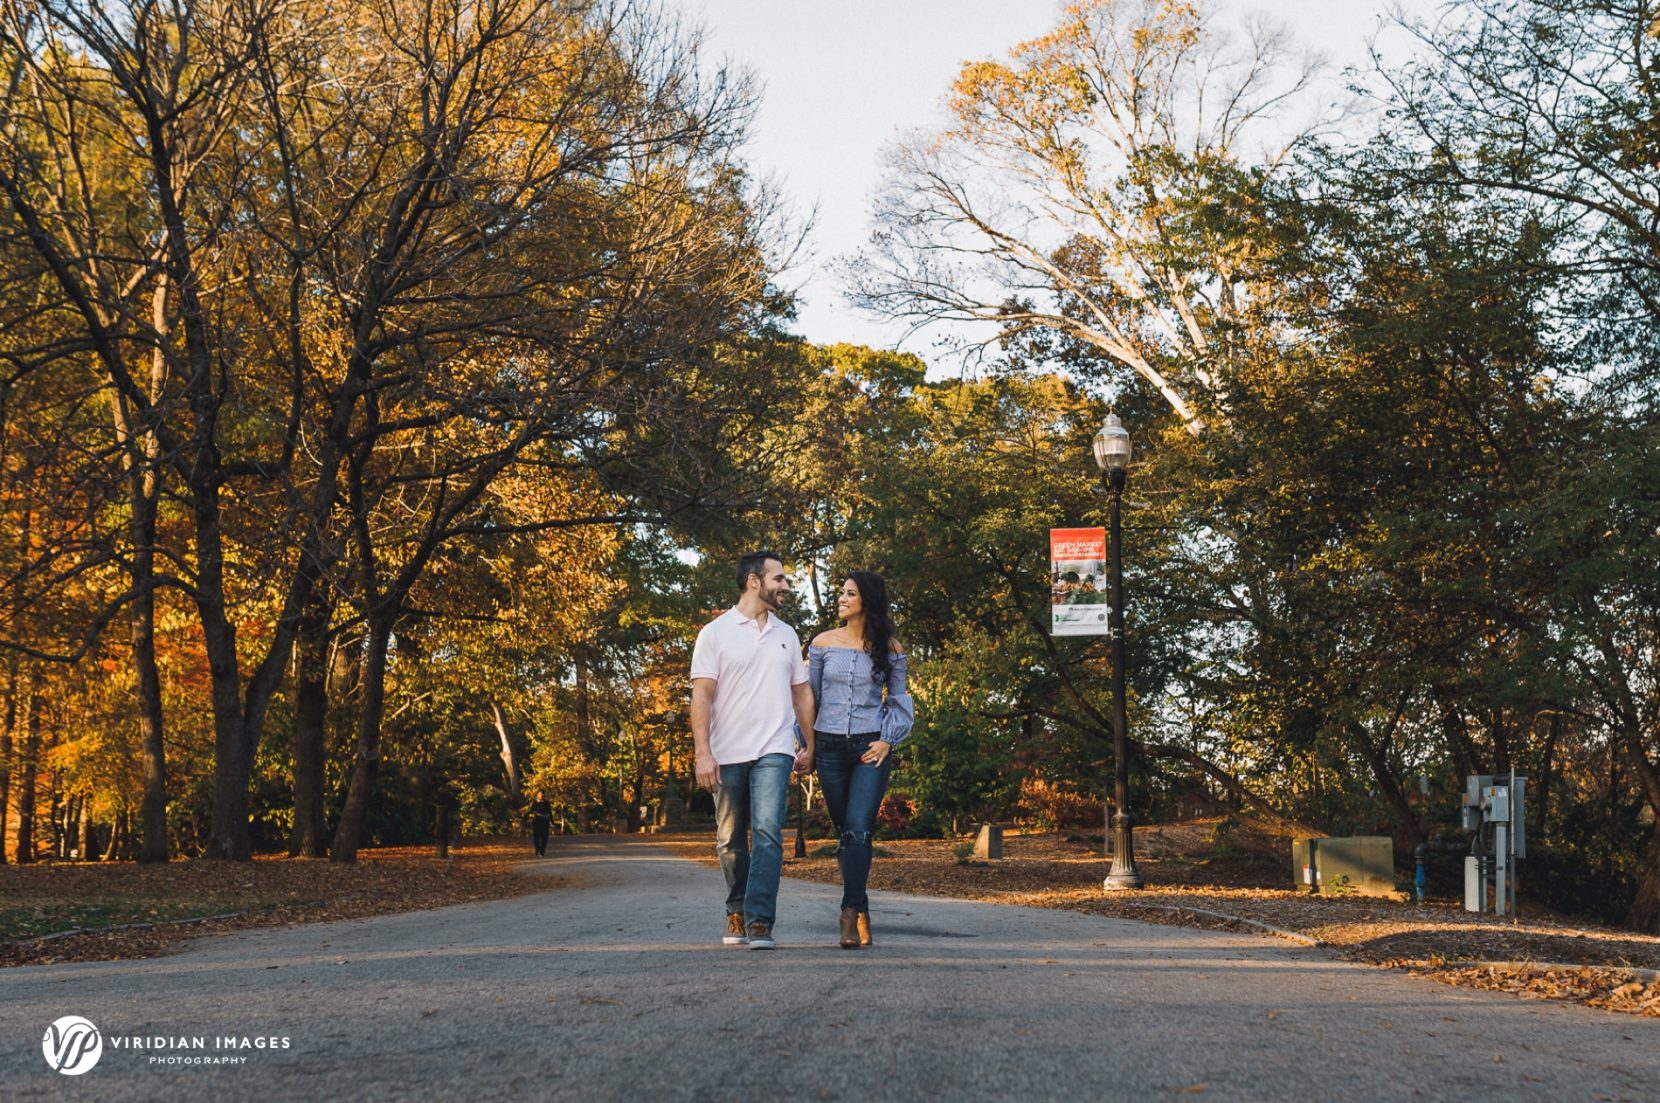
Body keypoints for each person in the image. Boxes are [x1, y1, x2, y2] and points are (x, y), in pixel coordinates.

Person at [690, 550, 815, 950]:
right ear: (754, 582)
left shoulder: (787, 635)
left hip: (774, 749)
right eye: (778, 578)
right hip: (726, 753)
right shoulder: (715, 633)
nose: (785, 585)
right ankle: (737, 909)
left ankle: (760, 920)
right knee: (729, 839)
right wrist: (702, 753)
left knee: (767, 834)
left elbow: (801, 694)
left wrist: (810, 743)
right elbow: (702, 697)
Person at [809, 570, 914, 949]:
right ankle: (863, 903)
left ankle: (848, 914)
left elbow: (898, 700)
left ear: (865, 601)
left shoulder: (891, 650)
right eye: (840, 593)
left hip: (871, 749)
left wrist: (888, 741)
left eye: (849, 594)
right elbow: (810, 699)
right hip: (829, 749)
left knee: (858, 829)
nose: (841, 599)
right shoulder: (821, 644)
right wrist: (806, 746)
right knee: (846, 834)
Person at [528, 790, 552, 857]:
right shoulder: (534, 803)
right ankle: (537, 848)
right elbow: (531, 811)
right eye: (540, 794)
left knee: (544, 838)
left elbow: (550, 813)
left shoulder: (547, 803)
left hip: (545, 822)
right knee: (536, 838)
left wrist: (551, 822)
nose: (541, 796)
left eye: (542, 794)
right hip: (537, 822)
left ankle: (542, 852)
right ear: (537, 795)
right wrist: (536, 813)